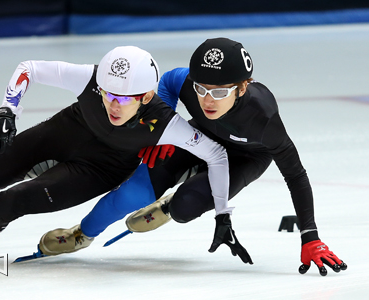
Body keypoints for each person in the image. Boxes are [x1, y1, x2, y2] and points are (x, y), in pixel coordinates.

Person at [0, 46, 238, 259]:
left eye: (122, 99)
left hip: (99, 168)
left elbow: (218, 156)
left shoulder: (167, 125)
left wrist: (222, 211)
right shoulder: (90, 79)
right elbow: (28, 69)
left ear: (146, 97)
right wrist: (7, 112)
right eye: (106, 93)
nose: (111, 103)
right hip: (67, 130)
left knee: (10, 201)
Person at [38, 38, 347, 276]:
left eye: (220, 93)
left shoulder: (263, 119)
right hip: (199, 137)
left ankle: (170, 205)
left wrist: (311, 237)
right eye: (201, 88)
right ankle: (81, 233)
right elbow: (171, 80)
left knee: (186, 207)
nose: (207, 100)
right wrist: (162, 124)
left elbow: (295, 174)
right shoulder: (189, 84)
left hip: (246, 158)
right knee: (132, 194)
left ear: (243, 87)